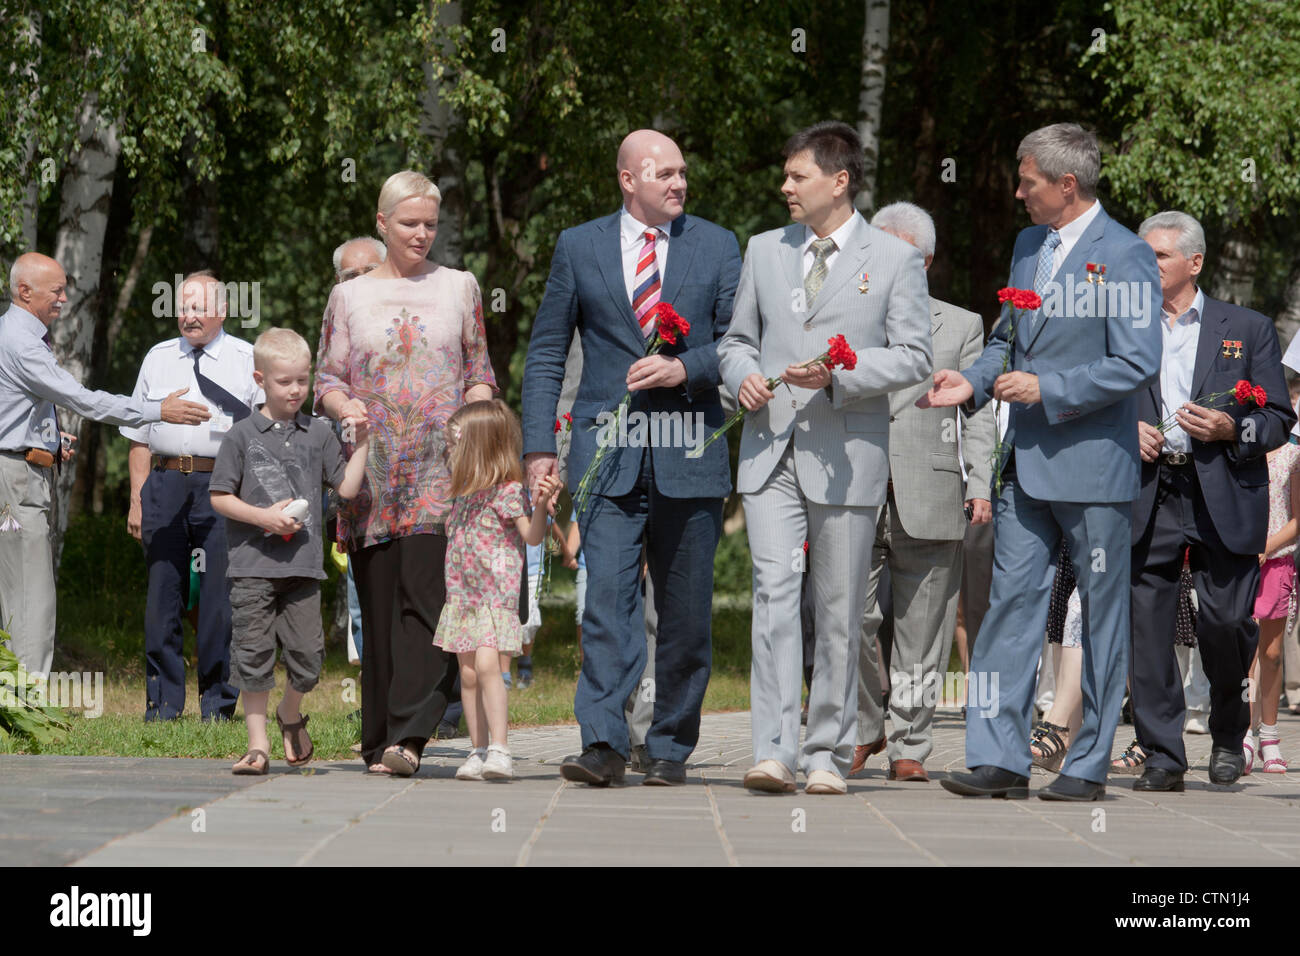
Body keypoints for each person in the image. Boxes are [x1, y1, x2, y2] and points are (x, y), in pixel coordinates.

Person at [921, 123, 1162, 802]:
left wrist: (1048, 389)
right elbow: (1008, 340)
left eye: (1027, 180)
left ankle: (1086, 765)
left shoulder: (1128, 255)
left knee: (1103, 613)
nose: (1018, 191)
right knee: (1008, 608)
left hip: (1093, 467)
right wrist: (970, 380)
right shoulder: (1029, 245)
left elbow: (1135, 361)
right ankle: (998, 758)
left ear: (1065, 184)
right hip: (1023, 465)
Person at [521, 129, 742, 787]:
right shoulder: (578, 245)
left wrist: (686, 368)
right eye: (664, 173)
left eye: (682, 172)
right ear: (628, 179)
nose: (679, 183)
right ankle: (604, 745)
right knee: (606, 603)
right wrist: (539, 449)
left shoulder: (717, 244)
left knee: (683, 611)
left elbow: (738, 344)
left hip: (692, 452)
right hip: (604, 456)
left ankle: (670, 746)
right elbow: (546, 353)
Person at [719, 121, 932, 795]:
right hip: (769, 450)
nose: (784, 186)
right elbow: (734, 342)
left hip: (848, 456)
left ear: (839, 182)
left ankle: (828, 753)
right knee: (774, 598)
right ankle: (773, 750)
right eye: (784, 175)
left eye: (796, 176)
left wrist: (841, 376)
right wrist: (742, 375)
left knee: (840, 611)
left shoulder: (893, 260)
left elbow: (915, 357)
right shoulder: (763, 250)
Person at [315, 170, 497, 777]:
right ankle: (379, 739)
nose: (422, 234)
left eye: (430, 224)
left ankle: (412, 736)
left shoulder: (460, 288)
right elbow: (327, 380)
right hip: (371, 474)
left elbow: (481, 372)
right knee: (380, 605)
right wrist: (345, 407)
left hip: (440, 476)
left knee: (429, 601)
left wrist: (471, 418)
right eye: (410, 223)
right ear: (382, 223)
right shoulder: (349, 298)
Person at [1126, 210, 1294, 791]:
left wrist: (1231, 430)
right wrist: (1127, 428)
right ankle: (1163, 756)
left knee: (1224, 622)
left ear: (1194, 262)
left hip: (1222, 488)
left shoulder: (1246, 328)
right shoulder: (1122, 323)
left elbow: (1276, 417)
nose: (1146, 266)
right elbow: (1093, 395)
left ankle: (1228, 731)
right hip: (1148, 490)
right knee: (1146, 631)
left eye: (1159, 257)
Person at [0, 252, 210, 676]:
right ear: (25, 291)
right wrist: (157, 411)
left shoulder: (10, 332)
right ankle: (25, 701)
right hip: (18, 480)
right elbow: (82, 399)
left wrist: (45, 436)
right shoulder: (22, 342)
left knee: (15, 590)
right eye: (56, 290)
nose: (63, 298)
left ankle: (14, 696)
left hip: (21, 468)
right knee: (31, 595)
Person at [850, 201, 994, 783]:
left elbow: (978, 414)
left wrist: (980, 482)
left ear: (924, 261)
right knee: (849, 617)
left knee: (925, 629)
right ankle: (864, 727)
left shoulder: (961, 326)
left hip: (932, 492)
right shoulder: (844, 317)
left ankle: (911, 742)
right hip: (854, 490)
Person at [209, 328, 370, 773]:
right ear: (260, 379)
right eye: (285, 381)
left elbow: (349, 488)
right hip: (251, 567)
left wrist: (362, 446)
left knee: (309, 658)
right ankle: (257, 746)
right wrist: (264, 518)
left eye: (303, 380)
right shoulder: (240, 436)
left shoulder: (318, 434)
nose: (296, 389)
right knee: (253, 656)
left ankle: (290, 711)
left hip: (303, 567)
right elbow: (219, 497)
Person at [122, 271, 261, 721]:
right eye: (184, 306)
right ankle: (162, 704)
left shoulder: (247, 358)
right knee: (163, 593)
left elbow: (264, 435)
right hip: (164, 484)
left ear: (222, 310)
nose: (189, 315)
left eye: (200, 307)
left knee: (218, 599)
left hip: (222, 486)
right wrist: (137, 498)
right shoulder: (158, 357)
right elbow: (139, 437)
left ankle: (218, 704)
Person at [434, 400, 563, 781]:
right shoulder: (460, 497)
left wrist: (540, 506)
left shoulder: (508, 493)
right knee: (469, 674)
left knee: (489, 666)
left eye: (454, 446)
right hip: (462, 601)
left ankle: (500, 749)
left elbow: (533, 537)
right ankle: (477, 748)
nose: (448, 453)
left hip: (494, 599)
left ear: (478, 447)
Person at [330, 238, 386, 669]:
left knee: (426, 596)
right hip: (359, 492)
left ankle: (443, 708)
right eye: (351, 276)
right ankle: (378, 710)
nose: (360, 283)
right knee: (364, 600)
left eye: (370, 272)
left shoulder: (423, 319)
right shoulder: (334, 337)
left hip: (424, 489)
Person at [1244, 436, 1300, 773]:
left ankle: (1270, 734)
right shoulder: (1239, 450)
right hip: (1241, 561)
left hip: (1277, 560)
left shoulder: (1294, 455)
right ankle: (1244, 734)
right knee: (1245, 655)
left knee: (1272, 653)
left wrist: (1267, 545)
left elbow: (1297, 519)